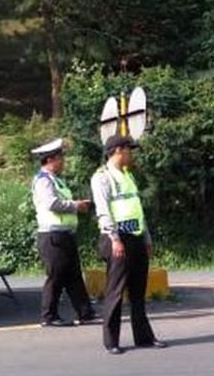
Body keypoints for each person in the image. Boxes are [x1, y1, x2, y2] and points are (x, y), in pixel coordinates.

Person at [92, 134, 165, 355]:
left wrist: (147, 239)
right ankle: (111, 340)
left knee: (137, 291)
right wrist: (114, 239)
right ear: (117, 151)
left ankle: (143, 337)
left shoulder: (127, 176)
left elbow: (137, 210)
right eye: (128, 150)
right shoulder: (102, 177)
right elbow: (103, 211)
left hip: (135, 238)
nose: (131, 154)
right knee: (115, 292)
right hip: (118, 240)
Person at [29, 138, 97, 328]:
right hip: (53, 236)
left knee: (73, 274)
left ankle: (85, 312)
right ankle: (48, 316)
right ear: (50, 160)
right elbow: (51, 203)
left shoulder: (55, 180)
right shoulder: (43, 181)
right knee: (57, 276)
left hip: (64, 234)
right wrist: (76, 206)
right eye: (60, 158)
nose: (63, 162)